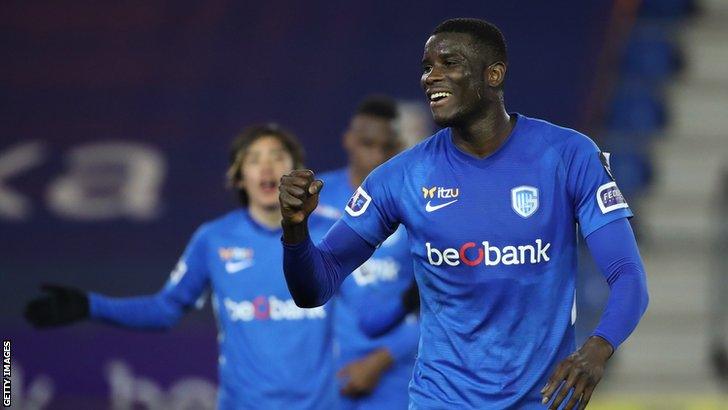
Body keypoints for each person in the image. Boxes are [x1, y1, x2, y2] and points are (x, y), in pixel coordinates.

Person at [278, 18, 649, 409]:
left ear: (494, 74)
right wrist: (295, 229)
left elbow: (627, 274)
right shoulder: (401, 177)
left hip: (541, 401)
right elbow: (315, 287)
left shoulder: (568, 156)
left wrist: (597, 346)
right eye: (426, 67)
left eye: (448, 63)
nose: (431, 77)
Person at [25, 124, 336, 410]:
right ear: (239, 177)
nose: (267, 166)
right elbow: (166, 309)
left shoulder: (332, 233)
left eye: (278, 157)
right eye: (254, 159)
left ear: (298, 172)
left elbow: (371, 306)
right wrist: (90, 306)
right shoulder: (214, 238)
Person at [315, 95, 418, 409]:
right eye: (367, 143)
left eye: (386, 147)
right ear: (348, 140)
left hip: (398, 366)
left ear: (398, 146)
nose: (376, 155)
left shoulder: (416, 203)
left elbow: (435, 299)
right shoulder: (315, 200)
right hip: (329, 369)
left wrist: (381, 360)